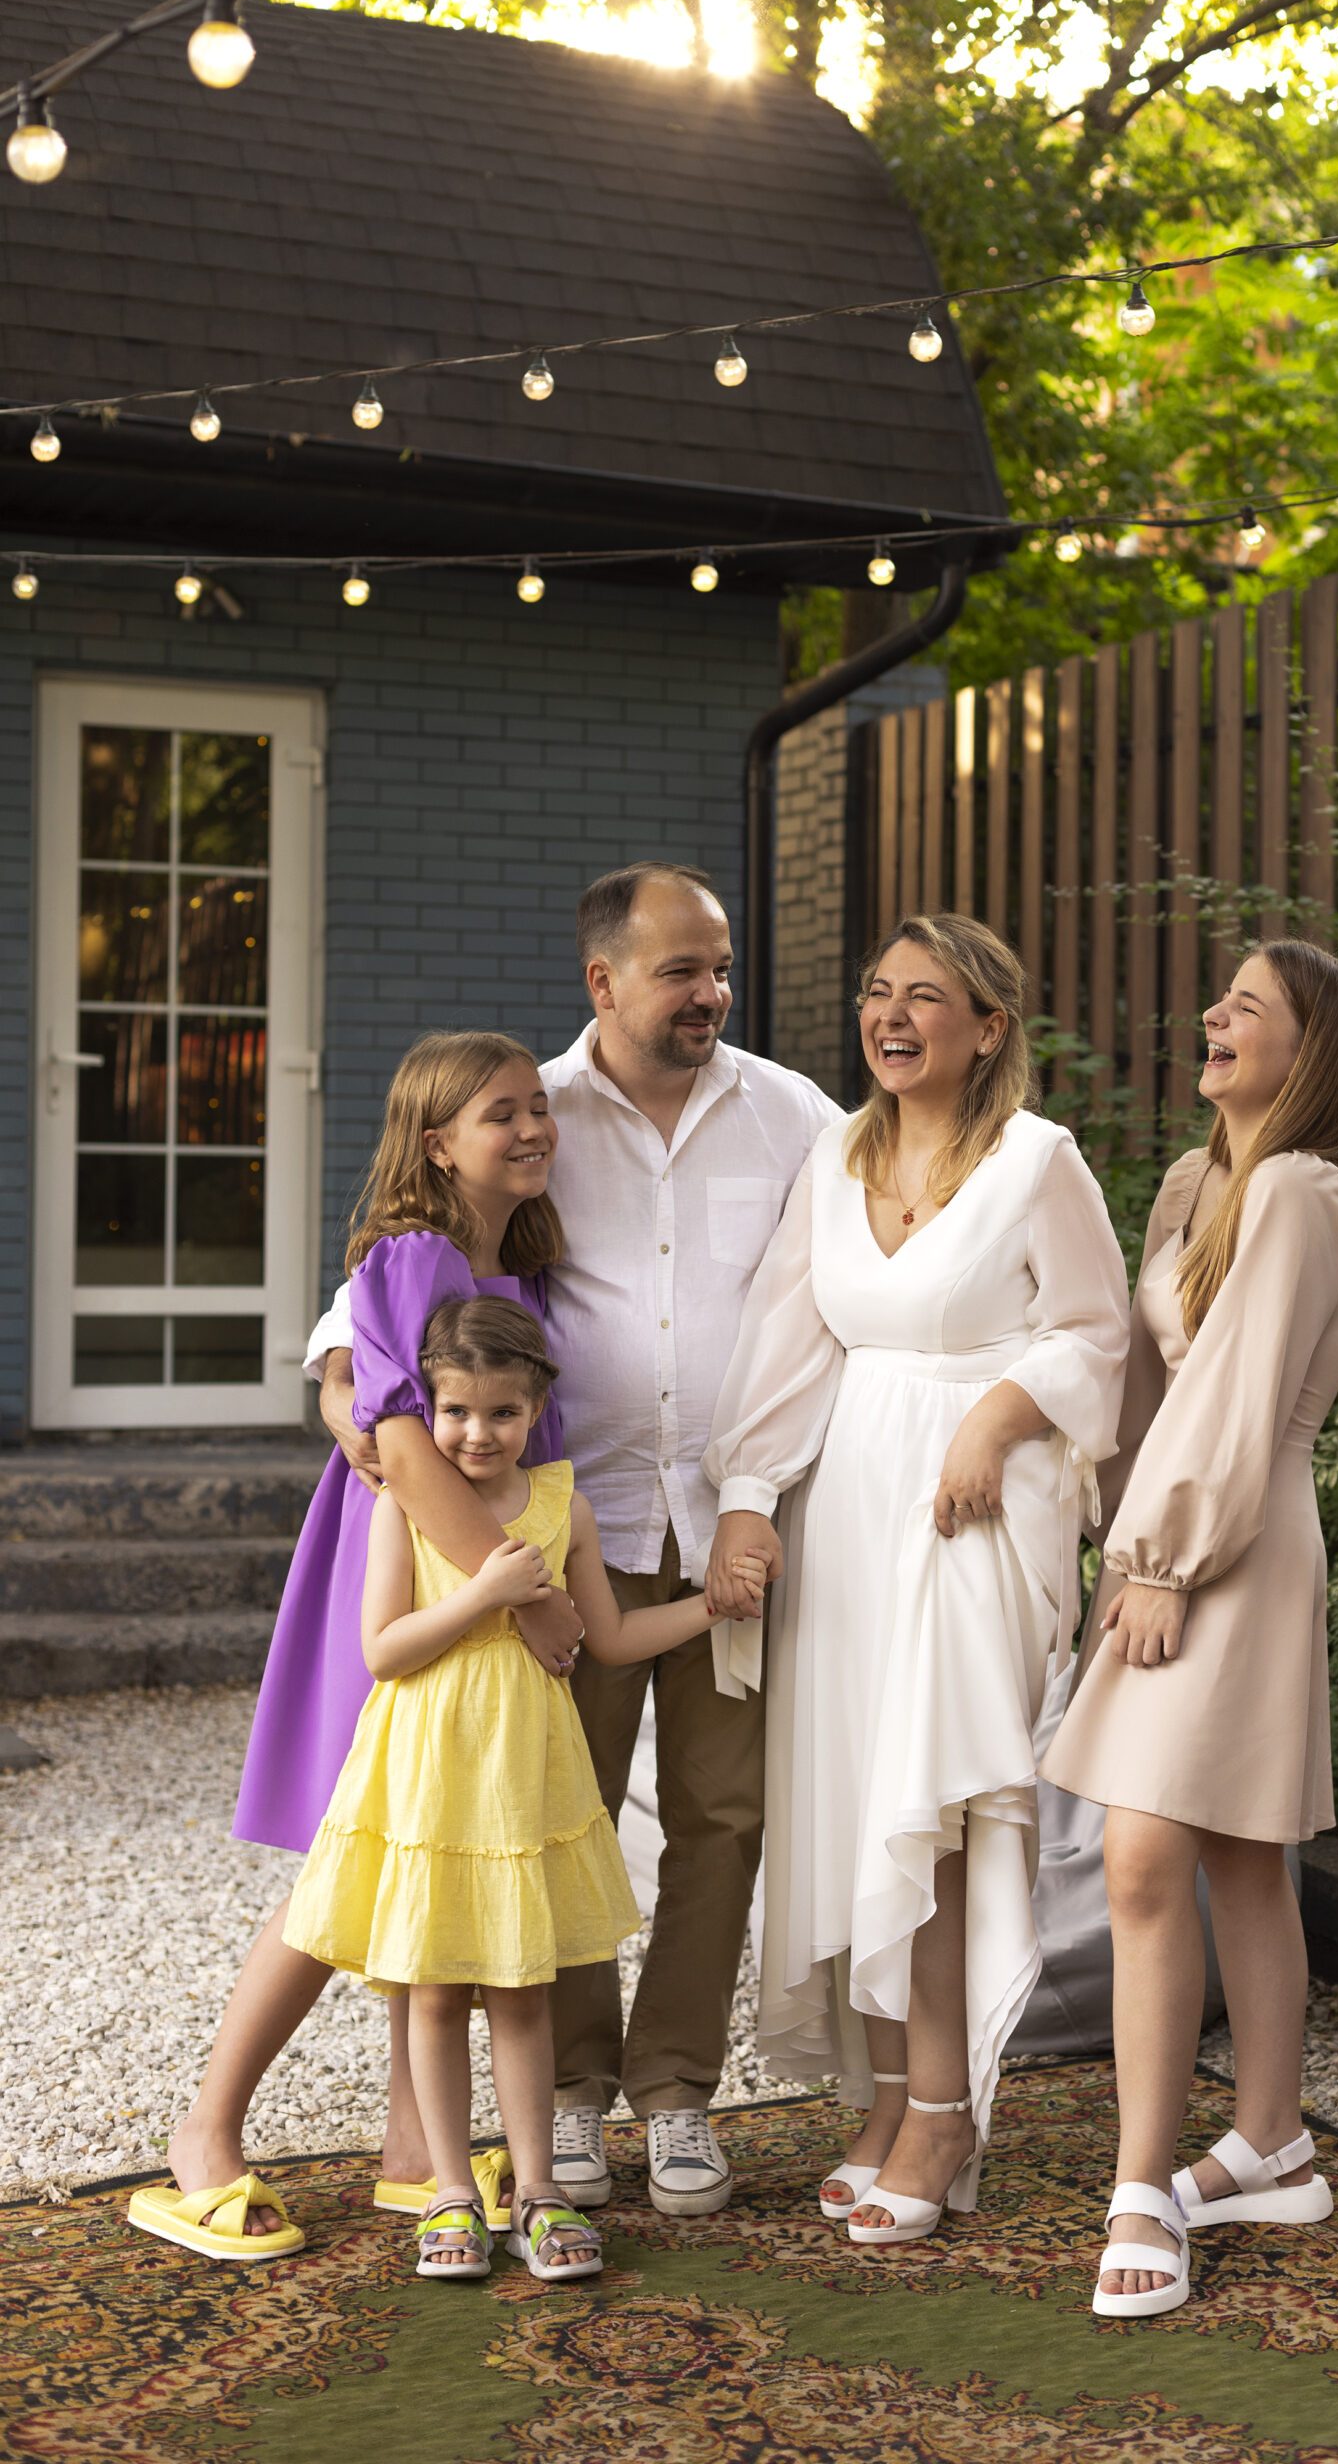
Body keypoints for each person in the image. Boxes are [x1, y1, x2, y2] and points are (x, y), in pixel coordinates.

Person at [312, 864, 840, 2216]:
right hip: (568, 1534)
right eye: (679, 971)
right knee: (564, 1817)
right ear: (602, 982)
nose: (709, 993)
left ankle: (674, 2095)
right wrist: (335, 1382)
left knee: (724, 1818)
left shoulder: (788, 1115)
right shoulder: (526, 1117)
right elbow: (379, 1300)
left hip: (731, 1521)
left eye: (718, 967)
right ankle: (567, 2101)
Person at [702, 913, 1129, 2243]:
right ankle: (887, 2095)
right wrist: (744, 1499)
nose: (891, 1016)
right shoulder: (837, 1153)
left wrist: (995, 1423)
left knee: (932, 1811)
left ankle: (946, 2115)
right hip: (849, 1508)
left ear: (986, 1028)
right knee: (851, 1802)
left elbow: (1096, 1337)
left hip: (976, 1511)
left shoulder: (1035, 1161)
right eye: (876, 992)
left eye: (925, 998)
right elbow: (785, 1340)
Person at [155, 1032, 580, 2253]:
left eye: (541, 1106)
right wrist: (526, 1600)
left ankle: (414, 2149)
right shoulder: (421, 1258)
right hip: (414, 1573)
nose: (534, 1126)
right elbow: (399, 1445)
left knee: (430, 1852)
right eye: (504, 1112)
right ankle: (206, 2131)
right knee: (357, 1852)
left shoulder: (518, 1269)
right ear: (437, 1141)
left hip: (485, 1577)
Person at [1041, 939, 1338, 2320]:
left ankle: (1141, 2187)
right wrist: (1103, 1529)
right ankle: (1272, 2143)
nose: (1211, 1016)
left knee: (1140, 1857)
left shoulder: (1298, 1191)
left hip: (1227, 1543)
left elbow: (1239, 1396)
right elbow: (1149, 1385)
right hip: (1178, 1539)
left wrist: (1163, 1557)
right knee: (1239, 1856)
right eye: (1219, 997)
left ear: (1309, 1055)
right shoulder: (1198, 1184)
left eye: (1248, 1006)